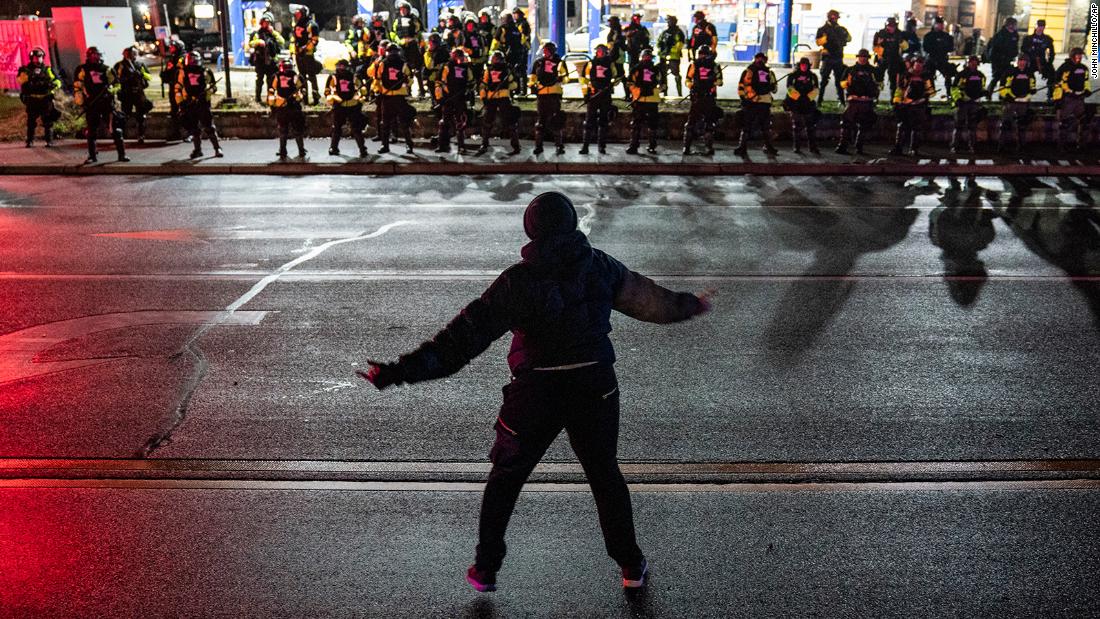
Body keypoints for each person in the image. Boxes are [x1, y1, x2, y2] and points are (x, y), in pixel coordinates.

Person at [358, 190, 713, 594]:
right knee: (604, 475)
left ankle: (486, 569)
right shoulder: (600, 267)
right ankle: (631, 565)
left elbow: (461, 340)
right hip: (594, 386)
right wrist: (692, 305)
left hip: (536, 391)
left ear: (530, 229)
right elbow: (654, 302)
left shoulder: (517, 282)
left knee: (506, 477)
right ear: (572, 223)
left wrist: (396, 373)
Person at [73, 47, 128, 164]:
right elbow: (78, 85)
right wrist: (80, 100)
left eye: (98, 54)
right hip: (92, 104)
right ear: (89, 56)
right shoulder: (83, 69)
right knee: (92, 131)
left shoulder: (107, 69)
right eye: (94, 55)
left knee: (115, 129)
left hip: (106, 103)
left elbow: (117, 84)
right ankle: (92, 156)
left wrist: (111, 90)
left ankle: (122, 155)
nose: (97, 57)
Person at [369, 45, 416, 154]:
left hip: (399, 97)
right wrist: (377, 91)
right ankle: (384, 146)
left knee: (404, 123)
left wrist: (406, 81)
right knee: (385, 123)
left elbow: (410, 79)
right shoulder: (383, 64)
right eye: (391, 52)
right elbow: (377, 79)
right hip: (387, 97)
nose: (392, 54)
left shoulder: (403, 64)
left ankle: (409, 145)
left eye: (394, 52)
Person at [175, 51, 222, 158]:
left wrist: (207, 92)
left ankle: (217, 148)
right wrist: (181, 103)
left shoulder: (206, 71)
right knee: (194, 129)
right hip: (189, 103)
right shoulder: (183, 72)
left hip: (203, 103)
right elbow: (177, 88)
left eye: (194, 60)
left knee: (209, 126)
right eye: (190, 60)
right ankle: (197, 150)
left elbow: (213, 87)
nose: (192, 62)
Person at [835, 48, 880, 155]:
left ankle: (859, 147)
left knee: (864, 125)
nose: (863, 59)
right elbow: (841, 83)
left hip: (867, 101)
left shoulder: (872, 71)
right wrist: (847, 83)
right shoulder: (850, 70)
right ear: (858, 57)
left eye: (865, 57)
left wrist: (873, 97)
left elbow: (878, 85)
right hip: (853, 101)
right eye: (861, 57)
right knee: (846, 124)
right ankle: (842, 146)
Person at [579, 43, 621, 155]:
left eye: (602, 51)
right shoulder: (590, 64)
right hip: (593, 96)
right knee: (588, 122)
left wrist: (611, 85)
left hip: (605, 96)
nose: (600, 52)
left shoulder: (610, 64)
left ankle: (601, 147)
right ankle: (585, 146)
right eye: (598, 51)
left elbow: (616, 77)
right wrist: (585, 95)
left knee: (603, 122)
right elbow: (584, 80)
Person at [529, 41, 569, 155]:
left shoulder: (559, 62)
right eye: (544, 50)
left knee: (556, 121)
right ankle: (538, 146)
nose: (544, 52)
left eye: (546, 50)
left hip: (554, 95)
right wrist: (532, 87)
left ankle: (559, 146)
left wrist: (561, 79)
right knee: (540, 122)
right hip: (542, 96)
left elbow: (566, 77)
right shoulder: (538, 63)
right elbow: (532, 78)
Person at [734, 52, 778, 156]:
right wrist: (744, 98)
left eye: (761, 59)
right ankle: (746, 147)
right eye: (759, 59)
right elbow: (741, 86)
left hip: (758, 102)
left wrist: (744, 99)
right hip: (757, 102)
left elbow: (774, 88)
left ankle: (745, 147)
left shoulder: (763, 72)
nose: (760, 61)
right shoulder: (755, 71)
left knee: (758, 126)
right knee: (756, 126)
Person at [478, 50, 521, 155]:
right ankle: (484, 144)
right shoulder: (488, 70)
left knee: (510, 122)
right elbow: (483, 85)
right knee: (487, 122)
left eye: (495, 58)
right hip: (491, 98)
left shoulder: (507, 70)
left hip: (503, 97)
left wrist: (505, 86)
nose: (493, 60)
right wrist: (484, 97)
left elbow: (515, 84)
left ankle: (516, 145)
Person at [16, 47, 61, 148]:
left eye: (39, 57)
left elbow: (58, 81)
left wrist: (53, 85)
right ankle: (30, 141)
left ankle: (49, 141)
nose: (37, 59)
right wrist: (28, 77)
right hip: (32, 99)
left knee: (48, 121)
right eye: (35, 57)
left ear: (43, 58)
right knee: (31, 122)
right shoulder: (26, 70)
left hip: (45, 99)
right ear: (31, 58)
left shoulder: (48, 69)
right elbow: (20, 80)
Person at [890, 55, 934, 156]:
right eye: (917, 63)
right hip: (906, 105)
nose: (918, 66)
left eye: (921, 64)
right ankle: (898, 148)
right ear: (913, 64)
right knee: (901, 126)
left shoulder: (926, 77)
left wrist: (924, 98)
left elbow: (931, 91)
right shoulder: (906, 75)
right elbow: (900, 89)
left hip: (919, 105)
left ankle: (914, 149)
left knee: (917, 128)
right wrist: (897, 101)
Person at [325, 58, 369, 158]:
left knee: (356, 129)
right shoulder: (333, 77)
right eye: (339, 66)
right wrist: (332, 98)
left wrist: (361, 97)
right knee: (336, 128)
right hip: (339, 106)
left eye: (343, 66)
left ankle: (362, 149)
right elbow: (327, 91)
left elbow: (363, 90)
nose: (341, 68)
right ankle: (333, 148)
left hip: (353, 106)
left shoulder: (354, 77)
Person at [682, 44, 722, 155]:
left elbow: (720, 81)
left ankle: (709, 147)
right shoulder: (694, 65)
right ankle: (686, 147)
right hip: (697, 97)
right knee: (691, 123)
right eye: (701, 54)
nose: (703, 56)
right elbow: (687, 79)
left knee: (709, 123)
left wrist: (711, 82)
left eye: (704, 54)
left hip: (709, 97)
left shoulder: (715, 66)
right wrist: (692, 86)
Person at [435, 47, 474, 153]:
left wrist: (468, 91)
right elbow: (439, 83)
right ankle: (442, 145)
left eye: (461, 56)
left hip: (460, 99)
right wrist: (440, 98)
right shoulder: (447, 66)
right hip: (448, 98)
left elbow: (471, 81)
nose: (460, 59)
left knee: (460, 122)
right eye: (458, 56)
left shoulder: (466, 67)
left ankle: (461, 147)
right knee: (444, 122)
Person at [267, 58, 308, 160]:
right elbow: (271, 91)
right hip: (284, 106)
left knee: (290, 130)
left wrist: (297, 97)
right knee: (286, 130)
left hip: (291, 106)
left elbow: (302, 90)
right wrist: (274, 104)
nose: (287, 70)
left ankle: (299, 150)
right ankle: (285, 151)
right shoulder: (280, 76)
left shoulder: (293, 76)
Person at [1052, 48, 1091, 153]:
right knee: (1064, 123)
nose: (1079, 57)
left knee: (1084, 122)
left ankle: (1081, 145)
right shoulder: (1064, 68)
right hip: (1067, 99)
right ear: (1072, 56)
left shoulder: (1084, 68)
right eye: (1077, 55)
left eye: (1081, 55)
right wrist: (1057, 100)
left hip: (1079, 99)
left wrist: (1087, 90)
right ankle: (1061, 146)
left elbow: (1086, 81)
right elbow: (1058, 84)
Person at [626, 47, 663, 155]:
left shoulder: (656, 69)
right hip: (639, 100)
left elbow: (662, 84)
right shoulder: (636, 69)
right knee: (636, 124)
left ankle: (652, 146)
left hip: (652, 100)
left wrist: (654, 90)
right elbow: (629, 83)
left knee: (652, 124)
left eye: (648, 56)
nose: (647, 58)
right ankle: (633, 146)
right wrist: (638, 91)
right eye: (645, 56)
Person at [996, 55, 1036, 153]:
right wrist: (1006, 96)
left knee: (1022, 125)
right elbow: (1002, 86)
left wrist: (1032, 91)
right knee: (1005, 124)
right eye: (1020, 61)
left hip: (1023, 102)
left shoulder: (1030, 73)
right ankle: (1001, 146)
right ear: (1017, 62)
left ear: (1026, 62)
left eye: (1024, 61)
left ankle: (1022, 146)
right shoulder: (1010, 72)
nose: (1022, 63)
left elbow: (1032, 85)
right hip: (1011, 102)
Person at [112, 46, 153, 143]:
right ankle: (121, 135)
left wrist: (141, 74)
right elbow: (116, 79)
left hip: (138, 92)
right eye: (132, 53)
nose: (134, 55)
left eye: (135, 53)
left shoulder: (140, 64)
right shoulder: (120, 65)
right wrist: (127, 79)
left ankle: (141, 135)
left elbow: (149, 77)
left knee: (141, 115)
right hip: (126, 93)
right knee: (124, 114)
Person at [949, 55, 987, 153]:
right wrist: (958, 99)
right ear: (968, 63)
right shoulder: (961, 74)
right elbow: (954, 88)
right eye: (971, 62)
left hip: (974, 103)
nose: (973, 64)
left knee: (972, 126)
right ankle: (954, 146)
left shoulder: (981, 75)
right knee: (958, 126)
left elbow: (982, 88)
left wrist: (984, 92)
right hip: (962, 104)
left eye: (975, 62)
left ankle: (972, 146)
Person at [783, 56, 821, 153]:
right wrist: (798, 97)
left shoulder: (813, 76)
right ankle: (797, 147)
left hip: (808, 104)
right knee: (797, 127)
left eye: (806, 65)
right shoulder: (793, 75)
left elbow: (816, 89)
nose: (804, 66)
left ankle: (812, 147)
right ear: (799, 65)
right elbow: (789, 88)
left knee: (811, 127)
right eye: (802, 65)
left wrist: (808, 98)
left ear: (809, 66)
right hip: (796, 104)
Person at [391, 1, 426, 98]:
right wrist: (398, 40)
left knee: (417, 68)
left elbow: (419, 30)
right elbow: (393, 33)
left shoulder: (414, 19)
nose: (402, 11)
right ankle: (408, 90)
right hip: (402, 47)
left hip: (413, 46)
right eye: (401, 9)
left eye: (404, 9)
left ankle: (422, 91)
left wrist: (414, 39)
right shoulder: (397, 20)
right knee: (405, 68)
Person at [249, 13, 285, 105]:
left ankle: (270, 99)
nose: (266, 24)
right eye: (264, 22)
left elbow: (282, 41)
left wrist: (273, 32)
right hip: (260, 61)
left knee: (271, 81)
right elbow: (250, 44)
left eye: (268, 22)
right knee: (259, 80)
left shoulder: (273, 33)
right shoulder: (257, 33)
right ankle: (258, 98)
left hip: (271, 61)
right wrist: (258, 42)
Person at [815, 9, 850, 103]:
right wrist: (825, 39)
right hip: (828, 58)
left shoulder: (841, 29)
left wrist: (843, 36)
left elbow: (849, 38)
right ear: (830, 17)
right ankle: (819, 100)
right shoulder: (823, 29)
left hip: (838, 57)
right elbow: (818, 42)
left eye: (837, 17)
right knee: (823, 81)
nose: (836, 19)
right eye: (835, 17)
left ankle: (842, 101)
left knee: (839, 80)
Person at [290, 4, 321, 105]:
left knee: (312, 76)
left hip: (308, 55)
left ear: (303, 14)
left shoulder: (311, 25)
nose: (296, 16)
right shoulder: (297, 25)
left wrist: (305, 48)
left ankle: (316, 99)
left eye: (298, 14)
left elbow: (314, 40)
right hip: (299, 55)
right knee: (302, 77)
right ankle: (304, 99)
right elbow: (294, 39)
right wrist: (293, 51)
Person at [492, 11, 526, 98]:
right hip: (516, 54)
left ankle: (507, 91)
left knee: (505, 73)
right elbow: (521, 41)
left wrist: (492, 53)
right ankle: (516, 90)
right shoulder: (516, 29)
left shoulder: (502, 28)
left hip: (505, 55)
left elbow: (495, 42)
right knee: (515, 73)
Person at [1021, 19, 1055, 100]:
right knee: (1026, 75)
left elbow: (1052, 51)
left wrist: (1050, 62)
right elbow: (1023, 49)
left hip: (1042, 61)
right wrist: (1030, 51)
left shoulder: (1047, 39)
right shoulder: (1029, 38)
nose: (1040, 28)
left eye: (1042, 26)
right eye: (1039, 26)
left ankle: (1050, 94)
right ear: (1036, 26)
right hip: (1031, 61)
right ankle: (1024, 93)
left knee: (1052, 75)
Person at [873, 17, 907, 97]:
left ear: (896, 26)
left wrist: (901, 42)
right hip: (882, 59)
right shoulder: (880, 33)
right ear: (886, 25)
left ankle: (893, 100)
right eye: (889, 26)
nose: (890, 28)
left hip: (895, 60)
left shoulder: (900, 34)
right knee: (877, 78)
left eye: (893, 26)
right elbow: (875, 48)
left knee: (893, 80)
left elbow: (906, 47)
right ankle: (875, 98)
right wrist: (878, 44)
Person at [985, 17, 1019, 97]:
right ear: (1009, 25)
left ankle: (1002, 94)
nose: (1015, 26)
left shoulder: (1014, 35)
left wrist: (1014, 54)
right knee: (996, 77)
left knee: (1005, 77)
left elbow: (1015, 46)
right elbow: (996, 48)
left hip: (1007, 60)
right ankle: (988, 93)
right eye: (1014, 25)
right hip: (998, 60)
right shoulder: (1000, 34)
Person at [160, 39, 187, 140]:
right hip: (173, 88)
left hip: (182, 88)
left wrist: (169, 72)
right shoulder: (172, 59)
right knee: (174, 110)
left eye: (173, 47)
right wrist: (164, 76)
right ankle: (176, 133)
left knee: (185, 109)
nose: (171, 49)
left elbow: (178, 71)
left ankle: (188, 133)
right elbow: (169, 72)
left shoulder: (183, 58)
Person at [922, 17, 956, 93]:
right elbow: (925, 48)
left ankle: (949, 92)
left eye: (942, 24)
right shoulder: (928, 36)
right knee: (927, 75)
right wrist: (936, 48)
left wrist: (942, 49)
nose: (941, 26)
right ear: (934, 24)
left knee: (948, 73)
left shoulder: (946, 36)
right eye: (939, 24)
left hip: (942, 58)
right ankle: (929, 92)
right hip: (932, 59)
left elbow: (951, 47)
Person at [656, 15, 685, 97]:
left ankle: (679, 94)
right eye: (668, 21)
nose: (668, 22)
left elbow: (679, 45)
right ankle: (664, 93)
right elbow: (659, 43)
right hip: (663, 57)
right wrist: (661, 51)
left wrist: (669, 51)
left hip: (674, 57)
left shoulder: (679, 33)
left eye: (669, 21)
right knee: (663, 75)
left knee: (676, 75)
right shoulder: (665, 32)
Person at [463, 14, 490, 86]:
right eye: (468, 25)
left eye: (472, 25)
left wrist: (484, 58)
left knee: (478, 78)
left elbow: (483, 48)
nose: (470, 27)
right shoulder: (463, 35)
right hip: (466, 62)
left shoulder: (479, 36)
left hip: (478, 61)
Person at [606, 15, 629, 99]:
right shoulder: (613, 31)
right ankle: (610, 91)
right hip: (613, 55)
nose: (610, 23)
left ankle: (627, 94)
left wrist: (614, 44)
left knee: (620, 75)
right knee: (612, 74)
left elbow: (621, 43)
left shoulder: (619, 31)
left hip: (618, 56)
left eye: (611, 22)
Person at [622, 10, 651, 76]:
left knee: (643, 66)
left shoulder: (642, 29)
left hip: (642, 51)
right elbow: (624, 35)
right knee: (632, 66)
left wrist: (646, 47)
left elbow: (647, 38)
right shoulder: (628, 28)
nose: (638, 20)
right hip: (632, 51)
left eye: (639, 18)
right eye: (636, 18)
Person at [512, 8, 532, 96]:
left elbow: (524, 37)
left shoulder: (524, 24)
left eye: (516, 14)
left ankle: (523, 90)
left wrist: (521, 46)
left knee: (522, 70)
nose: (515, 16)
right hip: (516, 49)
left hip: (523, 49)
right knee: (516, 70)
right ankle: (517, 89)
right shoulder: (515, 24)